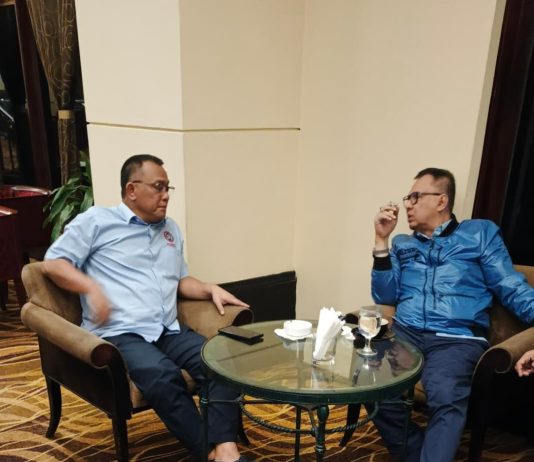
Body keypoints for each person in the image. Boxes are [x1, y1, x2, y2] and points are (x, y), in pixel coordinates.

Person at [43, 154, 250, 462]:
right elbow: (53, 264)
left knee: (221, 362)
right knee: (162, 375)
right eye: (158, 187)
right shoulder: (97, 221)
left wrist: (208, 288)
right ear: (132, 190)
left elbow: (179, 281)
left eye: (168, 188)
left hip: (167, 328)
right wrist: (91, 288)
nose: (166, 195)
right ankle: (209, 454)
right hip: (120, 331)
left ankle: (226, 451)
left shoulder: (171, 230)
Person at [371, 167, 534, 462]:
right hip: (406, 333)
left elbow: (510, 286)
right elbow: (385, 296)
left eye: (415, 197)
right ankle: (416, 453)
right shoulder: (403, 244)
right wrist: (381, 241)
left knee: (446, 395)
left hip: (456, 338)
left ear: (441, 200)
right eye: (407, 198)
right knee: (370, 383)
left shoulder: (480, 234)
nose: (407, 204)